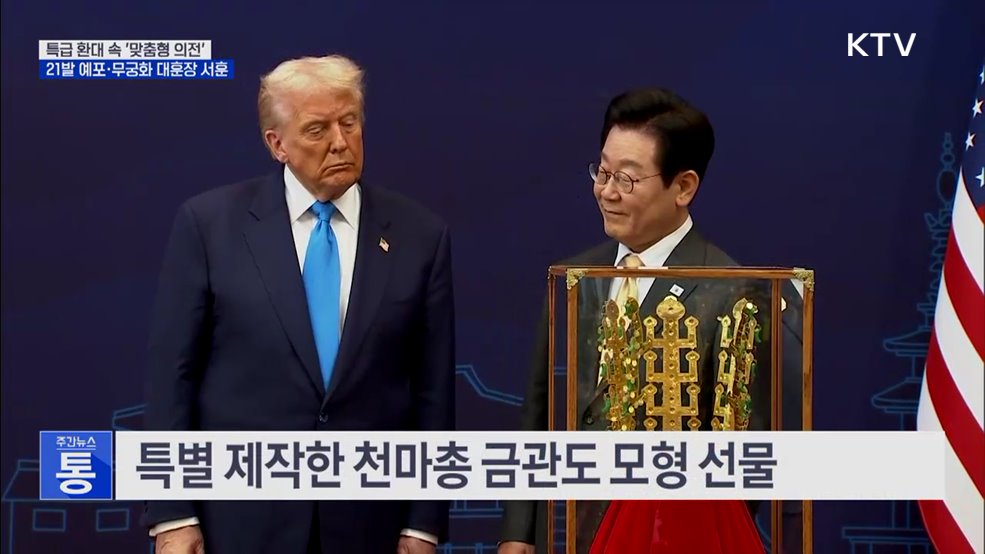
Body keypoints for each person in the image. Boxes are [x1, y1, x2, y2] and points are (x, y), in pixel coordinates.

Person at [143, 54, 455, 554]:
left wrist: (423, 524)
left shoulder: (420, 236)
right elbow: (172, 378)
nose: (340, 142)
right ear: (277, 144)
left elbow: (433, 392)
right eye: (317, 129)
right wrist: (173, 514)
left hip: (369, 524)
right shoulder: (209, 227)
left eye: (349, 123)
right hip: (240, 523)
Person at [498, 88, 804, 553]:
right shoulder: (573, 276)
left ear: (684, 187)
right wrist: (518, 533)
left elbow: (745, 450)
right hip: (563, 535)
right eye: (602, 172)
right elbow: (538, 414)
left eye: (627, 178)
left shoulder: (734, 291)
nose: (607, 192)